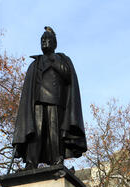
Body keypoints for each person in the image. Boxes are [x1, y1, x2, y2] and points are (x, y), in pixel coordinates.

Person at [12, 27, 87, 169]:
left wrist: (54, 61)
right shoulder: (35, 63)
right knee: (36, 132)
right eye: (42, 40)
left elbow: (68, 76)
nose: (44, 42)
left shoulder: (61, 59)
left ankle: (57, 159)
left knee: (55, 132)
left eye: (48, 40)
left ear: (54, 43)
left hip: (55, 100)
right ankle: (31, 162)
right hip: (37, 102)